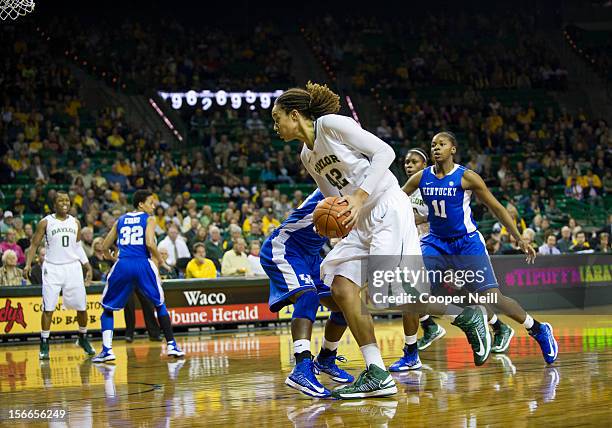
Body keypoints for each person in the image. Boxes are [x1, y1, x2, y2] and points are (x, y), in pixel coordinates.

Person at [272, 83, 488, 399]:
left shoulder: (331, 124)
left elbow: (385, 152)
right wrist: (335, 223)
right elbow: (334, 196)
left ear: (295, 115)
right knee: (342, 288)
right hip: (358, 219)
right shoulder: (307, 154)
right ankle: (377, 372)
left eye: (278, 118)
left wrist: (359, 197)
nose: (275, 126)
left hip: (386, 204)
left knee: (391, 291)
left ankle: (464, 315)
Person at [402, 131, 558, 366]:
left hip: (466, 243)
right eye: (433, 144)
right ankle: (465, 322)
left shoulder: (467, 177)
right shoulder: (420, 178)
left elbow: (497, 207)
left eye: (441, 144)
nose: (436, 148)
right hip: (435, 242)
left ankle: (538, 329)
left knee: (492, 298)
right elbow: (393, 202)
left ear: (452, 149)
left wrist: (519, 238)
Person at [260, 189, 353, 398]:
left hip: (311, 256)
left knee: (343, 305)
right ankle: (301, 368)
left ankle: (326, 358)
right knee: (308, 296)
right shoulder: (330, 190)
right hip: (285, 247)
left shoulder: (357, 197)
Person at [93, 190, 185, 362]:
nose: (154, 205)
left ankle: (107, 350)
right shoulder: (149, 219)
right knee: (159, 303)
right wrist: (161, 261)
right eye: (151, 202)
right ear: (141, 204)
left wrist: (112, 256)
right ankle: (172, 344)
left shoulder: (120, 220)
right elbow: (150, 243)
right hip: (142, 263)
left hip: (123, 264)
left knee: (107, 308)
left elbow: (104, 245)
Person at [23, 192, 95, 360]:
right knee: (48, 308)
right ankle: (44, 341)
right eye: (61, 200)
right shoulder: (46, 222)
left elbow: (77, 247)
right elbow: (34, 244)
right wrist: (28, 264)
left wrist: (87, 265)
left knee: (82, 307)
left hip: (73, 268)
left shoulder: (75, 222)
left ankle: (83, 337)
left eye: (67, 201)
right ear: (54, 205)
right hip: (52, 268)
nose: (65, 203)